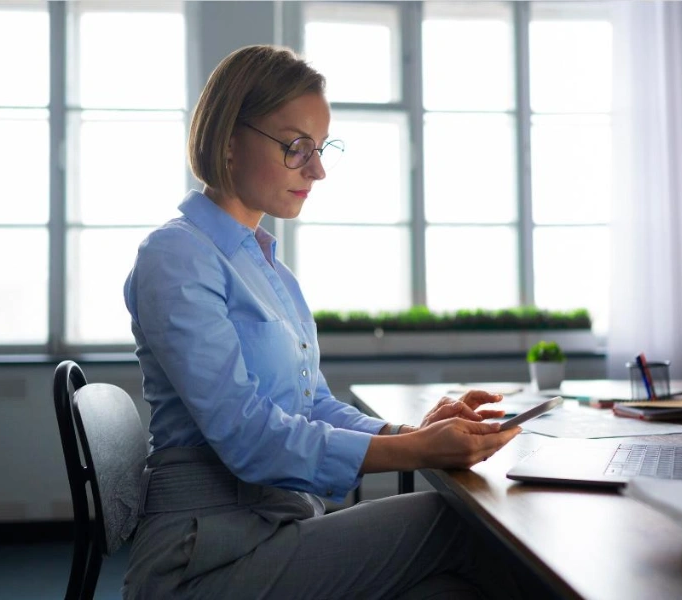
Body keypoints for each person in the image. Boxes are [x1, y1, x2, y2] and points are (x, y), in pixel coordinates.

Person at [122, 45, 525, 599]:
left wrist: (411, 434)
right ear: (228, 140)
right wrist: (416, 452)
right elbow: (249, 437)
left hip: (272, 527)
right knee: (456, 522)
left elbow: (311, 406)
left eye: (320, 148)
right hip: (205, 557)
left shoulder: (267, 267)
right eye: (296, 148)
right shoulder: (177, 255)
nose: (317, 170)